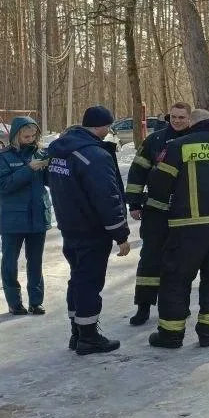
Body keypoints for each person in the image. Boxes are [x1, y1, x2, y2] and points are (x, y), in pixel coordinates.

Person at [145, 109, 209, 348]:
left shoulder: (178, 146)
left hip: (186, 227)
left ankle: (171, 335)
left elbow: (160, 184)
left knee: (175, 281)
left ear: (191, 123)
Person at [46, 106, 131, 355]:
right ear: (102, 127)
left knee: (78, 278)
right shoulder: (94, 155)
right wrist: (120, 233)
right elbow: (107, 196)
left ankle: (77, 331)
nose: (109, 132)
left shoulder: (61, 151)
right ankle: (89, 337)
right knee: (89, 282)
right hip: (92, 229)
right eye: (109, 127)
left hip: (69, 225)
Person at [124, 102, 192, 326]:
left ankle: (178, 306)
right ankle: (143, 306)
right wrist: (134, 202)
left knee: (182, 263)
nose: (178, 120)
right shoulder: (155, 140)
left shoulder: (195, 140)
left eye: (182, 117)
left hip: (186, 214)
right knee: (150, 260)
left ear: (189, 118)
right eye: (174, 116)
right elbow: (137, 171)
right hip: (156, 211)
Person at [0, 116, 51, 316]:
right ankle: (14, 302)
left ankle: (36, 301)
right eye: (26, 135)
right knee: (10, 262)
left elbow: (51, 181)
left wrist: (49, 167)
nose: (30, 138)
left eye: (33, 135)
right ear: (16, 134)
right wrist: (29, 169)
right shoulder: (3, 157)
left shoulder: (41, 153)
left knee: (36, 262)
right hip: (13, 219)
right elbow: (3, 187)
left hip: (38, 216)